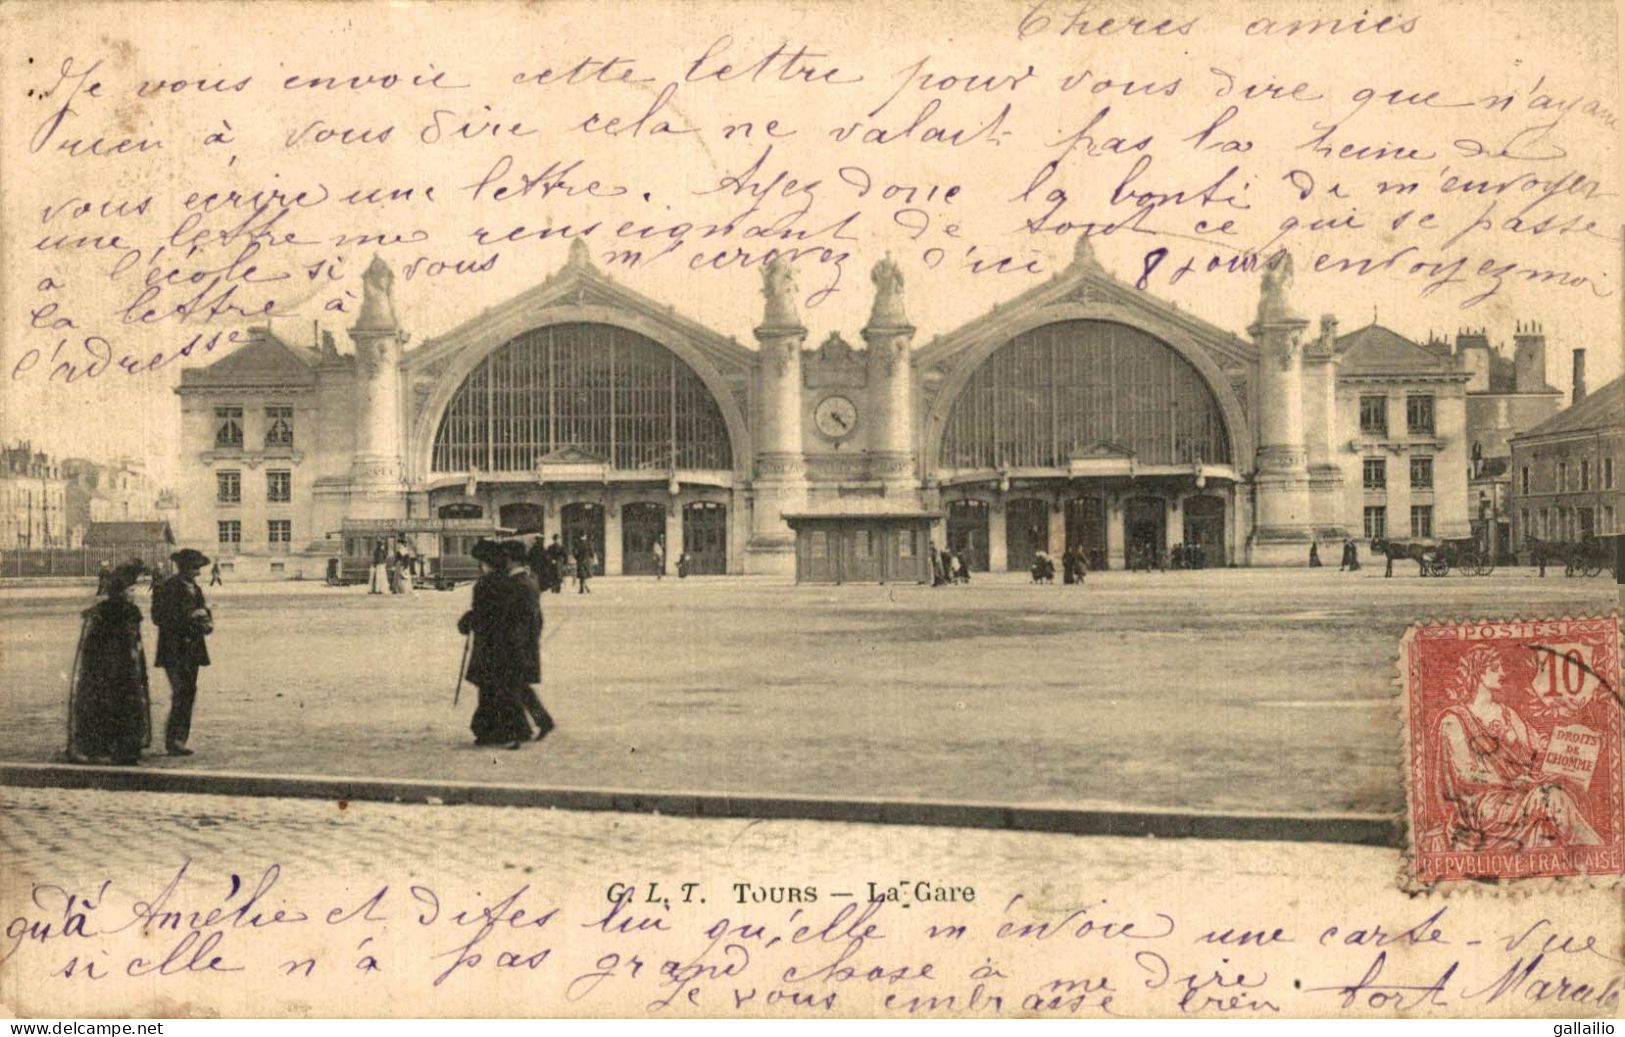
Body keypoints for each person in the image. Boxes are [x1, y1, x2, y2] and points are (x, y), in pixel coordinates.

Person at [1429, 644, 1602, 851]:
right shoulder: (1454, 720)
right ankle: (1595, 855)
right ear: (1478, 672)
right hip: (1483, 805)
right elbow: (1466, 775)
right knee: (1552, 796)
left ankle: (1592, 858)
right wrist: (1513, 782)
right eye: (1494, 668)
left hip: (1518, 795)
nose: (1502, 672)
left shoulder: (1506, 714)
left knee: (1566, 791)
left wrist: (1572, 741)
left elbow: (1538, 744)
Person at [67, 560, 152, 766]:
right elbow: (96, 645)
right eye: (130, 589)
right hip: (111, 668)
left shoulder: (126, 610)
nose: (133, 593)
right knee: (113, 704)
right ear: (119, 591)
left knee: (127, 704)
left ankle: (127, 746)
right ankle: (111, 746)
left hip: (126, 666)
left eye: (133, 589)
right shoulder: (108, 611)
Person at [458, 540, 533, 748]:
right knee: (497, 688)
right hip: (502, 643)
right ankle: (503, 731)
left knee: (492, 689)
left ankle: (497, 732)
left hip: (491, 644)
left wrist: (468, 621)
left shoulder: (485, 584)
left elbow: (484, 613)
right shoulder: (504, 581)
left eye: (480, 562)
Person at [152, 548, 213, 756]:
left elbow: (205, 612)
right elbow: (159, 618)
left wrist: (207, 623)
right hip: (173, 649)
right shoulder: (167, 588)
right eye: (194, 568)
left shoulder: (195, 589)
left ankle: (180, 739)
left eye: (198, 568)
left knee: (189, 692)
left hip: (193, 649)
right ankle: (174, 740)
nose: (198, 572)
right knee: (181, 691)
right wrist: (191, 616)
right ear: (183, 568)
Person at [502, 540, 554, 742]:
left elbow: (521, 619)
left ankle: (522, 730)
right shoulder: (530, 580)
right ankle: (542, 722)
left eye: (506, 558)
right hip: (525, 644)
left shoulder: (519, 584)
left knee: (514, 687)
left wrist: (514, 642)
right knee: (520, 687)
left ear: (512, 560)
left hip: (518, 645)